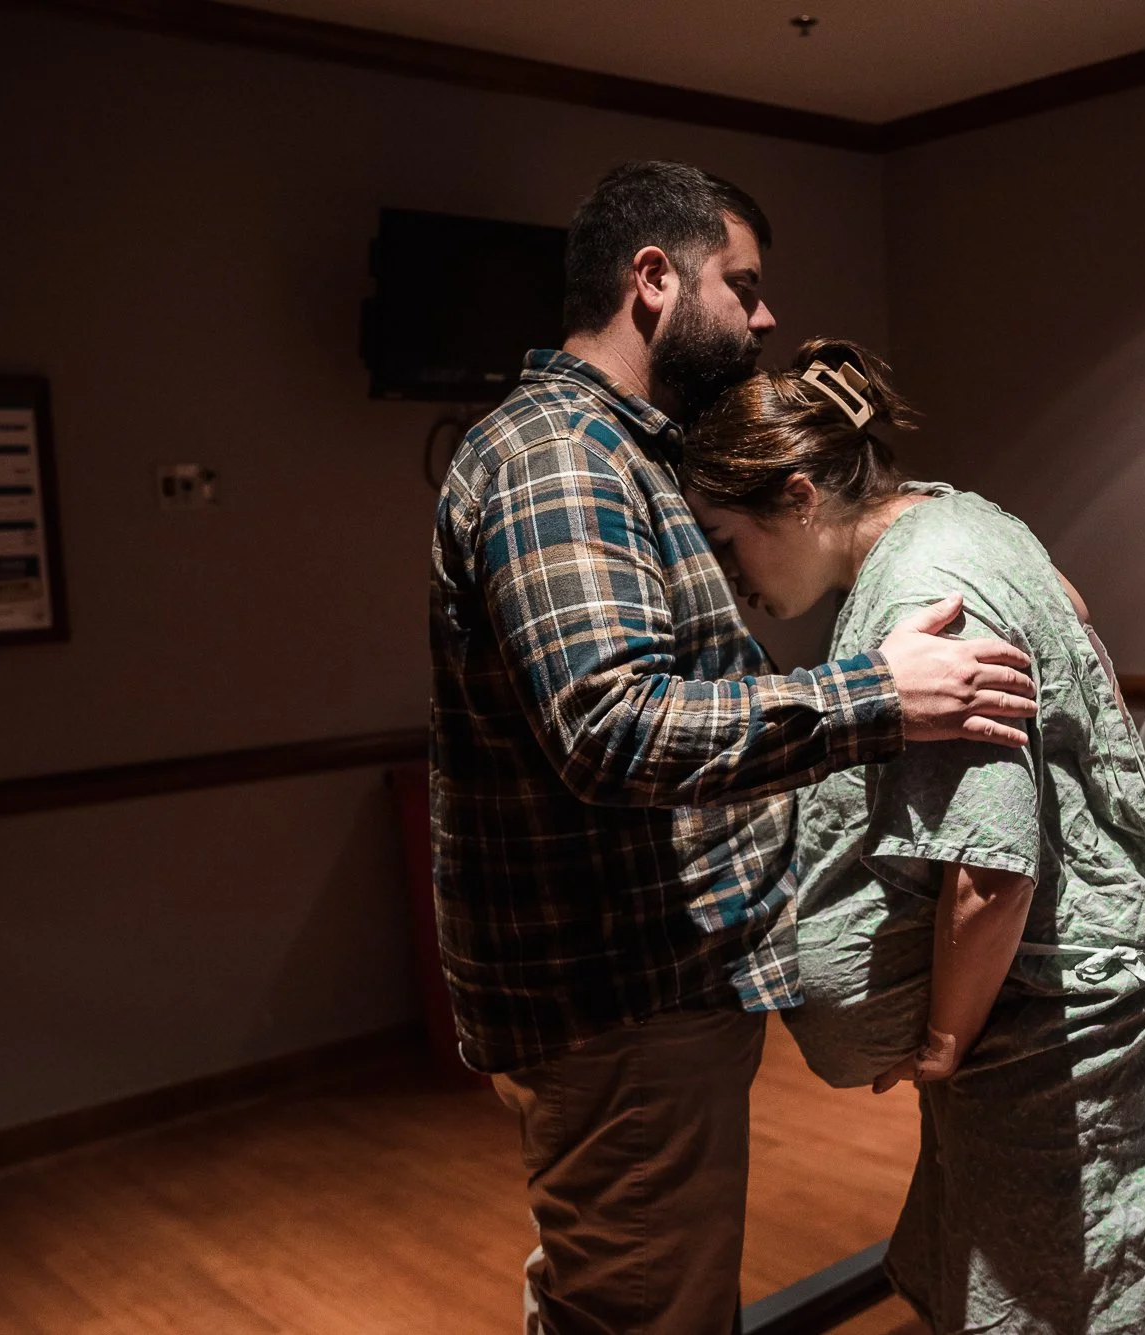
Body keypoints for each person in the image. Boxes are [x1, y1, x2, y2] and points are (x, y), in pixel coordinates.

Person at [429, 162, 1040, 1335]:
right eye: (741, 284)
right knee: (640, 1315)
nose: (762, 318)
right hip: (620, 1002)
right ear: (653, 281)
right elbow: (611, 727)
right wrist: (876, 696)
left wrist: (960, 544)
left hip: (650, 994)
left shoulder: (625, 449)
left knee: (626, 1294)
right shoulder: (561, 455)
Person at [679, 338, 1145, 1334]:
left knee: (1070, 1300)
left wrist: (943, 1041)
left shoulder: (931, 599)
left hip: (1061, 1023)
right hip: (1075, 996)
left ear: (794, 496)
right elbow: (1072, 611)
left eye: (724, 537)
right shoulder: (954, 517)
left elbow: (990, 875)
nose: (726, 572)